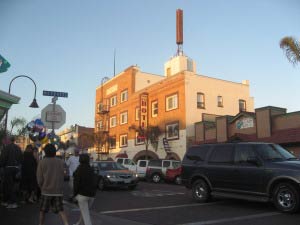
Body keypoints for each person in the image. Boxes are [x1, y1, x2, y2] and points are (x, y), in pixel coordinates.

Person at [36, 143, 69, 225]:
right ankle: (66, 223)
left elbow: (39, 178)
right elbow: (65, 175)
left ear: (45, 152)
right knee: (61, 210)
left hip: (46, 191)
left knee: (42, 211)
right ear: (54, 151)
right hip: (58, 191)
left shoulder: (42, 162)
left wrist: (41, 187)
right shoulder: (60, 162)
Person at [73, 154, 98, 225]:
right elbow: (95, 182)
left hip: (82, 195)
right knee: (85, 211)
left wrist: (75, 195)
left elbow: (76, 184)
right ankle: (78, 223)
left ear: (80, 160)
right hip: (92, 195)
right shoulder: (91, 169)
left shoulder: (79, 170)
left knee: (86, 216)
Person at [0, 136, 23, 209]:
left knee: (8, 186)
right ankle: (9, 201)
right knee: (14, 186)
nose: (4, 141)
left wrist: (1, 165)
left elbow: (3, 159)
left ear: (9, 140)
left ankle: (12, 202)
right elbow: (21, 159)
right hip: (17, 169)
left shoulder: (6, 148)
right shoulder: (18, 148)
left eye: (5, 140)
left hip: (8, 168)